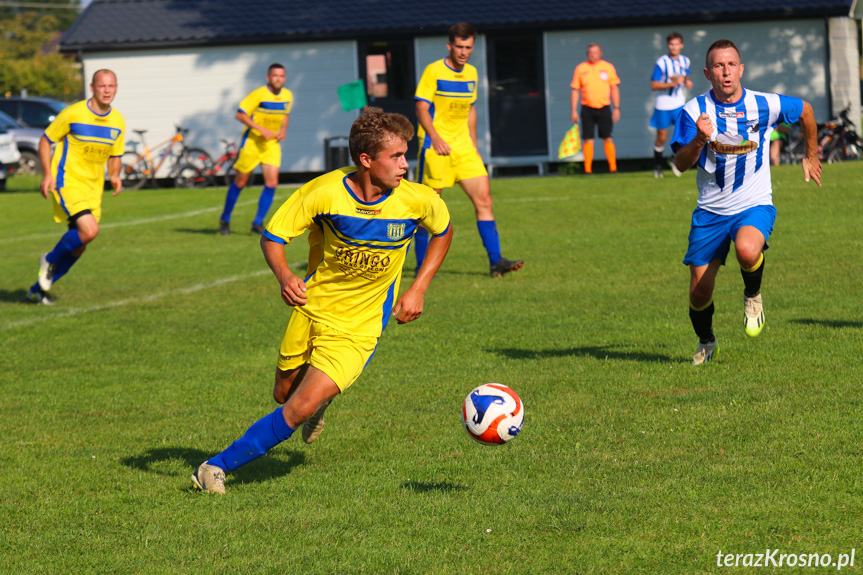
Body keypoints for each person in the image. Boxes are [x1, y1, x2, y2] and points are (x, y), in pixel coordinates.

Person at [192, 107, 453, 494]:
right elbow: (273, 237)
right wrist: (285, 276)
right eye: (395, 156)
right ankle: (318, 403)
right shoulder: (324, 193)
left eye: (404, 155)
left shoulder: (417, 200)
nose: (405, 165)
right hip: (312, 308)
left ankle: (214, 467)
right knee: (284, 395)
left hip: (360, 327)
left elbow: (443, 231)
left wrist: (419, 287)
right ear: (366, 160)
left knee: (297, 409)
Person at [671, 39, 822, 365]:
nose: (726, 72)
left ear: (741, 69)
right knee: (699, 293)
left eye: (731, 65)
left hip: (754, 204)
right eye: (718, 66)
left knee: (747, 250)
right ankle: (707, 341)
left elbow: (806, 110)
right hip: (710, 211)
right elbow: (681, 164)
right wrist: (699, 138)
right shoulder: (693, 111)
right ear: (707, 73)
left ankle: (753, 296)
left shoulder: (763, 104)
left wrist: (811, 154)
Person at [413, 22, 522, 278]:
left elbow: (470, 108)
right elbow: (420, 107)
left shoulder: (472, 73)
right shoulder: (434, 71)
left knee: (485, 200)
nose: (463, 52)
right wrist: (435, 138)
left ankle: (496, 261)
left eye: (468, 47)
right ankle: (421, 267)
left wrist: (473, 142)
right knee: (428, 210)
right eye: (459, 46)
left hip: (463, 148)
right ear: (450, 46)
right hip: (435, 148)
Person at [26, 69, 125, 305]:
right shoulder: (73, 113)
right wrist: (47, 173)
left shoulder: (118, 121)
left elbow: (115, 155)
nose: (107, 90)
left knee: (80, 246)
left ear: (116, 88)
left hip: (93, 188)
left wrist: (115, 175)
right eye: (102, 86)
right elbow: (45, 140)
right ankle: (48, 260)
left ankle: (36, 291)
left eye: (111, 86)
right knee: (90, 231)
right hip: (67, 181)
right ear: (92, 87)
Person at [219, 63, 292, 236]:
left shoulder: (287, 95)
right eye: (275, 75)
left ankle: (258, 222)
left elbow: (286, 115)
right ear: (268, 77)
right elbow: (240, 114)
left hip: (271, 145)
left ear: (285, 78)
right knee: (240, 182)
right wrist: (261, 129)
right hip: (251, 143)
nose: (278, 79)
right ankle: (225, 218)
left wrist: (283, 131)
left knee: (272, 183)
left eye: (281, 76)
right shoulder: (259, 94)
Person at [570, 43, 621, 174]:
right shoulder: (581, 68)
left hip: (604, 107)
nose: (593, 55)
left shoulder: (608, 67)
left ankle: (613, 168)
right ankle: (587, 169)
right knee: (588, 138)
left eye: (596, 52)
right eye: (591, 52)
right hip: (587, 108)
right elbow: (575, 90)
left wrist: (616, 108)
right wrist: (573, 110)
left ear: (600, 53)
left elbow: (614, 88)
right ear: (587, 54)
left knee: (608, 138)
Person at [650, 32, 692, 178]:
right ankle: (657, 166)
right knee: (661, 137)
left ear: (681, 45)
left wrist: (687, 82)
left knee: (686, 134)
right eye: (671, 44)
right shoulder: (662, 62)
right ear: (668, 45)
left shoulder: (685, 61)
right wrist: (672, 84)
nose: (674, 47)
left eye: (677, 44)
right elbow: (654, 85)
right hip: (663, 105)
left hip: (679, 103)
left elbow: (686, 76)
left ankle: (674, 159)